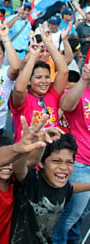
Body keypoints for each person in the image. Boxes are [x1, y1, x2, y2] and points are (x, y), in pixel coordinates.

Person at [10, 133, 90, 243]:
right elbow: (19, 169)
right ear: (41, 163)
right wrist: (25, 147)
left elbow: (70, 188)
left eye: (69, 162)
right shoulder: (33, 181)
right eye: (56, 161)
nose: (63, 167)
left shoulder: (62, 187)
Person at [9, 27, 68, 142]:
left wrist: (48, 42)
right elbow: (19, 89)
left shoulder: (52, 94)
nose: (44, 81)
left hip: (51, 153)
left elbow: (64, 71)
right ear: (29, 81)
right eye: (38, 77)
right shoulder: (23, 100)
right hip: (28, 155)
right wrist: (33, 56)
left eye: (47, 77)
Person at [53, 63, 90, 244]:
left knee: (81, 215)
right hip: (81, 163)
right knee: (70, 215)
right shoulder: (80, 92)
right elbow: (65, 105)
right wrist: (83, 79)